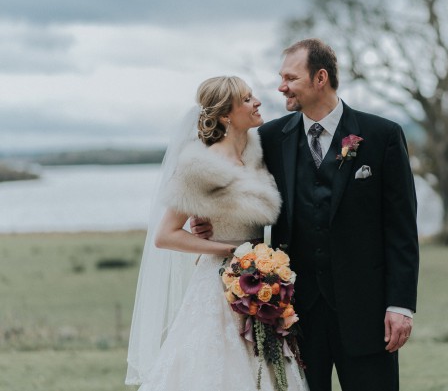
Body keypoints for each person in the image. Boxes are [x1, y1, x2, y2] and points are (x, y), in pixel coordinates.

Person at [193, 39, 419, 391]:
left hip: (367, 311)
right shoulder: (268, 138)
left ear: (320, 78)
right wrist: (209, 213)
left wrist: (401, 305)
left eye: (290, 77)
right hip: (293, 314)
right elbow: (235, 178)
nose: (281, 86)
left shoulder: (382, 136)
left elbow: (401, 229)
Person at [125, 76, 308, 391]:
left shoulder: (256, 158)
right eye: (248, 99)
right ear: (226, 115)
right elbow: (165, 235)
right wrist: (225, 249)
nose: (257, 102)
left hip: (260, 280)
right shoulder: (201, 166)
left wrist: (261, 261)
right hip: (218, 285)